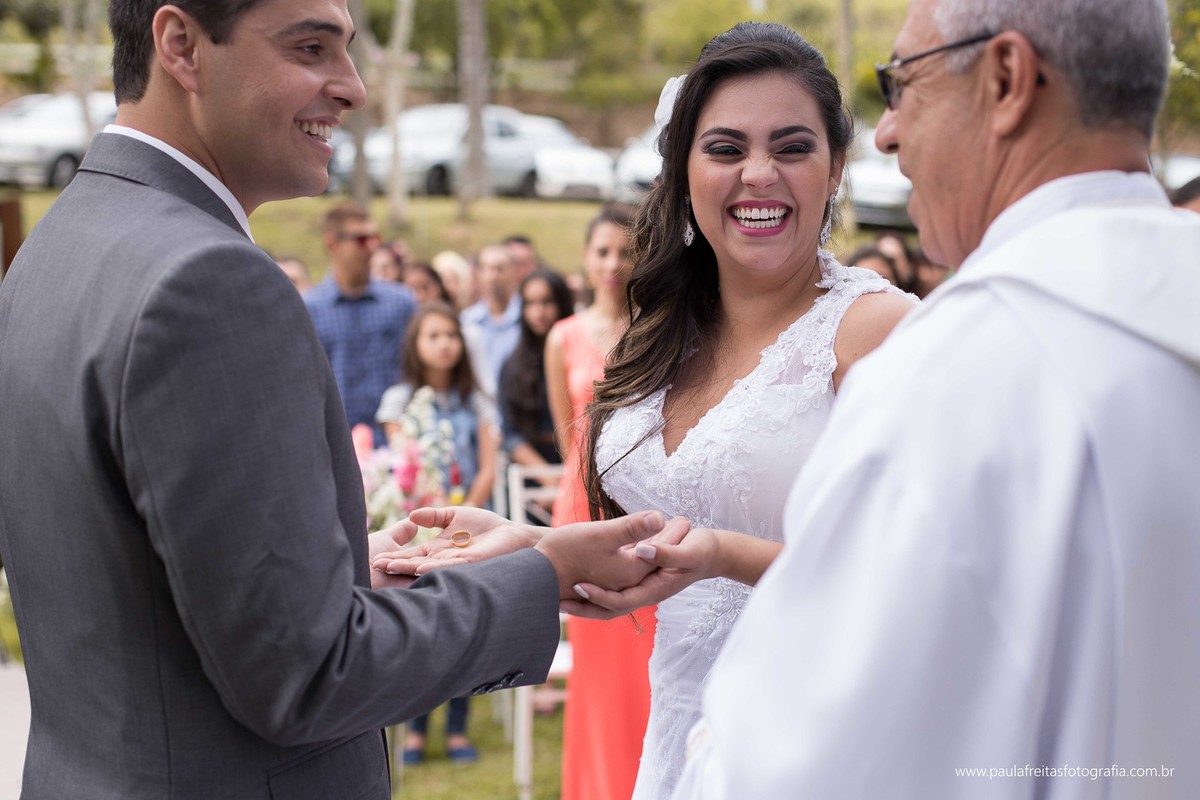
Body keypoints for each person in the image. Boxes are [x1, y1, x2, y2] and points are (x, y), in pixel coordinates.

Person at [378, 2, 1200, 796]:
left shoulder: (921, 350)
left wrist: (721, 557)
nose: (890, 129)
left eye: (904, 81)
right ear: (684, 169)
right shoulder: (660, 334)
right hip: (676, 726)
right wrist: (536, 548)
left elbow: (894, 616)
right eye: (725, 147)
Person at [0, 1, 672, 797]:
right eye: (310, 47)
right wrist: (540, 572)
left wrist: (337, 568)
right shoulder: (208, 283)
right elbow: (309, 676)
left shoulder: (55, 244)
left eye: (346, 50)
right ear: (180, 45)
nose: (351, 87)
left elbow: (119, 577)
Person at [542, 202, 660, 800]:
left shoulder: (656, 330)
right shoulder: (562, 337)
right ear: (585, 260)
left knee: (648, 655)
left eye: (625, 250)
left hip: (641, 504)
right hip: (578, 507)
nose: (614, 263)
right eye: (603, 251)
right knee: (596, 661)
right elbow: (566, 428)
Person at [376, 303, 500, 765]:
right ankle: (414, 730)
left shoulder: (477, 401)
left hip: (470, 528)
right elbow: (401, 463)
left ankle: (456, 729)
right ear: (416, 344)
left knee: (464, 623)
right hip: (417, 529)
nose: (445, 342)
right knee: (417, 624)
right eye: (434, 335)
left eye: (452, 334)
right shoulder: (400, 401)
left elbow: (487, 466)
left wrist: (463, 510)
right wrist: (431, 511)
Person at [305, 202, 416, 446]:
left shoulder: (401, 302)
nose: (373, 247)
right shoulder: (309, 308)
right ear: (332, 243)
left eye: (375, 237)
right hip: (337, 445)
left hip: (398, 442)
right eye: (362, 239)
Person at [498, 269, 575, 508]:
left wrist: (571, 478)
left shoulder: (579, 356)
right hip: (532, 475)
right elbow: (510, 434)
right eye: (530, 303)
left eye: (547, 302)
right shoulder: (513, 365)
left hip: (580, 465)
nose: (538, 312)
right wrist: (549, 479)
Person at [460, 244, 522, 397]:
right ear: (479, 274)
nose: (492, 276)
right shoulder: (467, 320)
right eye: (486, 269)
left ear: (513, 272)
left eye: (500, 269)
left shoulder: (527, 319)